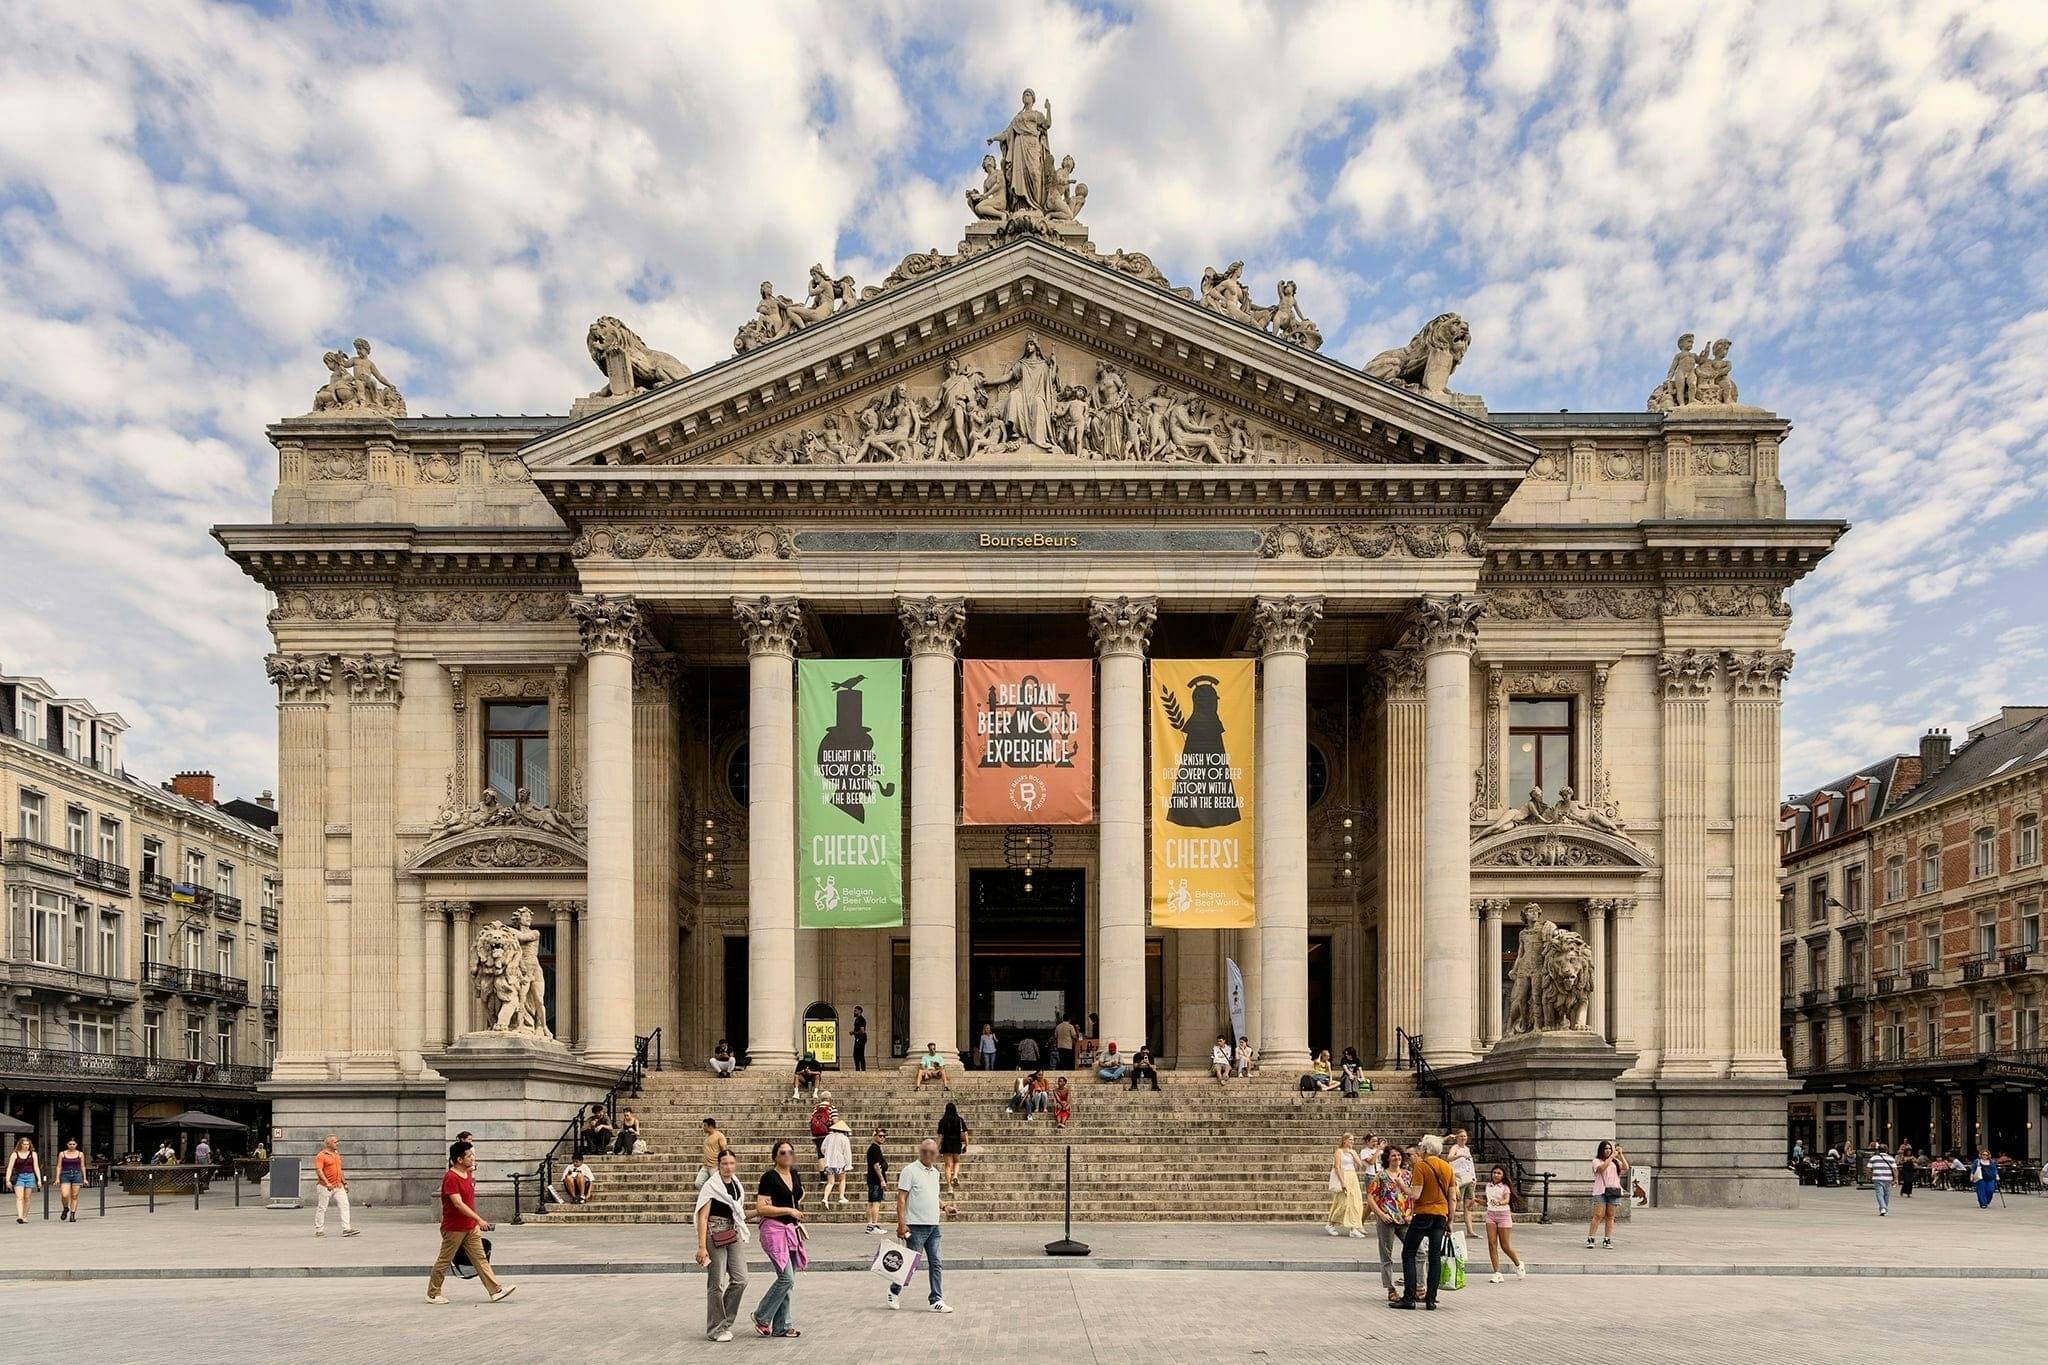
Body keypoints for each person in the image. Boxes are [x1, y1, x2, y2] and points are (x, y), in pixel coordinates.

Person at [427, 1140, 514, 1304]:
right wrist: (479, 1219)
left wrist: (474, 1222)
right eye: (469, 1155)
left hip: (470, 1227)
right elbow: (458, 1203)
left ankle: (495, 1290)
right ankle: (433, 1293)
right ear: (459, 1159)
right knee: (444, 1260)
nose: (473, 1158)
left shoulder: (467, 1174)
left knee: (480, 1258)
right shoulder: (451, 1178)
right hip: (454, 1228)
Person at [889, 1138, 959, 1313]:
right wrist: (901, 1223)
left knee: (936, 1262)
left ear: (937, 1154)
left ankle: (936, 1299)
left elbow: (932, 1195)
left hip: (933, 1225)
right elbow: (901, 1198)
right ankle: (894, 1290)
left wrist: (945, 1207)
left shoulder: (935, 1172)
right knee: (910, 1264)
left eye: (932, 1152)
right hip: (916, 1226)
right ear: (920, 1152)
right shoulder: (910, 1171)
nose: (928, 1155)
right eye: (925, 1151)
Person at [1391, 1135, 1456, 1310]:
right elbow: (1453, 1197)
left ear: (1426, 1149)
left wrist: (1401, 1186)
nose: (1419, 1150)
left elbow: (1416, 1194)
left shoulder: (1421, 1165)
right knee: (1434, 1256)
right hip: (1441, 1214)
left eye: (1421, 1147)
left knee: (1409, 1253)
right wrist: (1450, 1220)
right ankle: (1431, 1299)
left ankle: (1409, 1297)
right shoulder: (1447, 1167)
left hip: (1423, 1214)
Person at [695, 1147, 750, 1343]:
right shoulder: (711, 1186)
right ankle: (715, 1328)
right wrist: (701, 1246)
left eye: (731, 1163)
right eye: (724, 1163)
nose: (728, 1167)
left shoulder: (736, 1184)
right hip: (714, 1232)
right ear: (718, 1165)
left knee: (741, 1279)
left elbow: (738, 1212)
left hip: (732, 1231)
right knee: (716, 1282)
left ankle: (724, 1321)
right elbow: (703, 1217)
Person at [752, 1139, 806, 1338]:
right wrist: (789, 1210)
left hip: (791, 1231)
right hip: (774, 1232)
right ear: (775, 1156)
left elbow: (798, 1194)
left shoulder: (794, 1174)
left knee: (789, 1281)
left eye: (790, 1152)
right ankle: (761, 1315)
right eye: (783, 1152)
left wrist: (795, 1208)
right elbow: (761, 1208)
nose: (787, 1156)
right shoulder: (769, 1177)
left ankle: (782, 1326)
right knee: (786, 1278)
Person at [1367, 1145, 1412, 1304]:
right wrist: (1380, 1214)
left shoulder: (1407, 1175)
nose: (1397, 1158)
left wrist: (1411, 1213)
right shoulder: (1381, 1176)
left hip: (1404, 1219)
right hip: (1387, 1218)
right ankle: (1390, 1288)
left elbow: (1411, 1195)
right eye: (1393, 1156)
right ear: (1387, 1158)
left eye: (1399, 1156)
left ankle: (1418, 1286)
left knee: (1417, 1251)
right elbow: (1371, 1197)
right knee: (1386, 1254)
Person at [1482, 1165, 1527, 1282]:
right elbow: (1487, 1202)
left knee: (1505, 1246)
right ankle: (1497, 1273)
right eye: (1494, 1172)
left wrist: (1500, 1202)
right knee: (1492, 1244)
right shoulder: (1488, 1186)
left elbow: (1506, 1200)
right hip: (1491, 1215)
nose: (1496, 1175)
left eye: (1499, 1173)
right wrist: (1475, 1201)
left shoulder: (1505, 1187)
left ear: (1503, 1176)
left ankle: (1518, 1264)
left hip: (1503, 1216)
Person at [313, 1134, 358, 1237]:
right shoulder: (321, 1155)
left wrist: (345, 1183)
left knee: (345, 1205)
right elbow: (319, 1170)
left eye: (337, 1141)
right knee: (322, 1207)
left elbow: (339, 1170)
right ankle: (319, 1230)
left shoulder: (337, 1154)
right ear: (328, 1144)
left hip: (338, 1185)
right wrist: (327, 1182)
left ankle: (347, 1229)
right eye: (335, 1142)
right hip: (325, 1186)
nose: (337, 1143)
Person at [1586, 1140, 1625, 1248]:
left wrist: (1621, 1154)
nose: (1608, 1150)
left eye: (1609, 1148)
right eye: (1605, 1148)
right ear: (1601, 1150)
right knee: (1598, 1215)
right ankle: (1591, 1237)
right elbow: (1601, 1169)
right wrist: (1611, 1157)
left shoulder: (1615, 1162)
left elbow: (1626, 1167)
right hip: (1600, 1191)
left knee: (1610, 1216)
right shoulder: (1596, 1161)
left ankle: (1607, 1239)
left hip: (1613, 1190)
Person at [1327, 1132, 1364, 1239]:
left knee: (1355, 1202)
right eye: (1350, 1140)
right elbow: (1337, 1167)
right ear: (1344, 1140)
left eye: (1353, 1140)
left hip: (1353, 1176)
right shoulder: (1339, 1151)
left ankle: (1354, 1228)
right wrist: (1342, 1181)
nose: (1352, 1141)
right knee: (1343, 1203)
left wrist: (1352, 1153)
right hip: (1344, 1176)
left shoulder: (1352, 1151)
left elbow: (1360, 1164)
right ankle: (1330, 1223)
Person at [1448, 1128, 1478, 1240]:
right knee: (1454, 1203)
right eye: (1461, 1136)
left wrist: (1474, 1177)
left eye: (1464, 1136)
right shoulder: (1455, 1148)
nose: (1463, 1138)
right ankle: (1450, 1225)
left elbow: (1470, 1164)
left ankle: (1470, 1230)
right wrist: (1459, 1156)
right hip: (1458, 1177)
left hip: (1468, 1178)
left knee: (1468, 1205)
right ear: (1457, 1137)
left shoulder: (1467, 1149)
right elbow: (1449, 1158)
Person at [7, 1137, 40, 1225]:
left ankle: (25, 1216)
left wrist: (39, 1179)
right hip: (19, 1177)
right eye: (24, 1144)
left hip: (30, 1176)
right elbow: (9, 1168)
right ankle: (20, 1216)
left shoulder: (33, 1154)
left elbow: (36, 1167)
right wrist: (8, 1180)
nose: (26, 1146)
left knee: (27, 1198)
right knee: (19, 1197)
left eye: (27, 1144)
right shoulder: (15, 1154)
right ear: (20, 1145)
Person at [936, 1103, 968, 1191]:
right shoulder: (960, 1120)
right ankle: (955, 1176)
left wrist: (936, 1147)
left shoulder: (943, 1121)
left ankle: (950, 1187)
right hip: (957, 1142)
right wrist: (966, 1144)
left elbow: (940, 1136)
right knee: (957, 1161)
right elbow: (965, 1133)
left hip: (946, 1143)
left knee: (948, 1166)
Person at [821, 1122, 853, 1207]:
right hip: (840, 1162)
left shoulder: (828, 1137)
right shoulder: (844, 1138)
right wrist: (848, 1164)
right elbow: (847, 1153)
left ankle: (825, 1198)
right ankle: (841, 1196)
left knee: (830, 1182)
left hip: (828, 1163)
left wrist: (827, 1156)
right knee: (842, 1179)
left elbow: (822, 1148)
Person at [864, 1128, 890, 1235]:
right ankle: (873, 1224)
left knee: (871, 1203)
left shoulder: (874, 1148)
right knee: (875, 1203)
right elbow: (876, 1166)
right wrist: (882, 1180)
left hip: (872, 1179)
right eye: (880, 1136)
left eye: (884, 1136)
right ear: (874, 1136)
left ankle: (870, 1225)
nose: (882, 1138)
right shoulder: (875, 1149)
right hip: (875, 1180)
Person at [55, 1138, 87, 1221]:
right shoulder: (62, 1154)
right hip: (65, 1174)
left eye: (73, 1144)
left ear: (76, 1145)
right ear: (67, 1144)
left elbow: (82, 1166)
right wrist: (57, 1178)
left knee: (74, 1196)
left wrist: (85, 1178)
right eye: (70, 1144)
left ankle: (73, 1214)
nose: (72, 1146)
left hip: (77, 1174)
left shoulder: (80, 1154)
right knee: (65, 1194)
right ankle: (65, 1208)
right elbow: (59, 1166)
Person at [698, 1117, 730, 1188]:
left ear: (710, 1126)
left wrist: (723, 1165)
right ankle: (709, 1196)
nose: (703, 1127)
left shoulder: (719, 1136)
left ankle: (716, 1197)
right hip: (706, 1166)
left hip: (714, 1166)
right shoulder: (707, 1136)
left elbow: (724, 1151)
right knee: (698, 1183)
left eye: (705, 1125)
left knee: (717, 1186)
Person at [1867, 1143, 1896, 1216]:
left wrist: (1868, 1177)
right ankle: (1884, 1209)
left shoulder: (1873, 1158)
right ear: (1887, 1150)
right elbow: (1895, 1169)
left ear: (1878, 1150)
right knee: (1886, 1194)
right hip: (1888, 1179)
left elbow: (1868, 1168)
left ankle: (1883, 1208)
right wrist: (1896, 1179)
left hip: (1877, 1178)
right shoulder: (1891, 1158)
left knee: (1879, 1194)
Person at [851, 1005, 869, 1073]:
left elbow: (862, 1031)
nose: (854, 1012)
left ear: (859, 1011)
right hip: (858, 1038)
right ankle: (858, 1069)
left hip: (861, 1039)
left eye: (855, 1011)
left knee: (860, 1055)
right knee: (856, 1054)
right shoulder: (857, 1019)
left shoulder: (861, 1019)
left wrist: (854, 1032)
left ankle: (862, 1070)